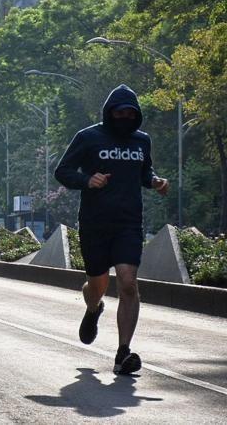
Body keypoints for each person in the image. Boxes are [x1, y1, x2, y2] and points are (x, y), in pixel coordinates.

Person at [55, 84, 170, 376]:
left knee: (128, 282)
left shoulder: (142, 141)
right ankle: (93, 308)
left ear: (136, 115)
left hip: (129, 223)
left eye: (130, 113)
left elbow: (145, 173)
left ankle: (122, 354)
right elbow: (63, 171)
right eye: (119, 112)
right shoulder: (88, 137)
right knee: (98, 284)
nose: (125, 117)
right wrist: (87, 180)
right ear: (109, 113)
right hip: (95, 224)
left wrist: (155, 181)